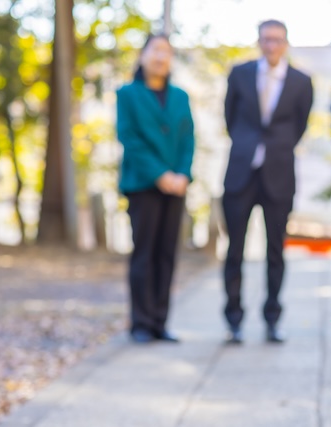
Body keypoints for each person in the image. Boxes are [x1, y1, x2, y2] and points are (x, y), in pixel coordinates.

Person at [222, 19, 313, 344]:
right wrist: (248, 146)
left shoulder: (302, 81)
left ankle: (272, 319)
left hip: (279, 174)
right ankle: (233, 318)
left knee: (276, 250)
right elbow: (230, 118)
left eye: (277, 40)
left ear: (285, 43)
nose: (271, 45)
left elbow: (299, 126)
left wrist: (276, 149)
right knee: (235, 249)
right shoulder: (240, 73)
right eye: (266, 39)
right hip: (240, 173)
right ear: (259, 42)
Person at [116, 33, 195, 344]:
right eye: (155, 51)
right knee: (144, 253)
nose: (161, 57)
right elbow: (129, 139)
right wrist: (160, 175)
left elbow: (189, 138)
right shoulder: (127, 94)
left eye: (167, 52)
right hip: (143, 185)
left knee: (167, 255)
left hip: (176, 187)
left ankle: (160, 322)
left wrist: (183, 174)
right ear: (143, 56)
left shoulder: (180, 96)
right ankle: (140, 323)